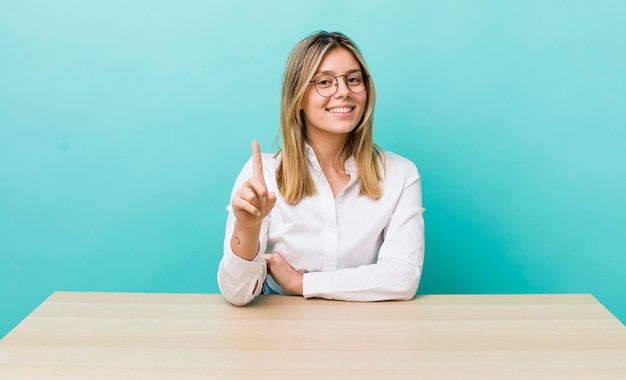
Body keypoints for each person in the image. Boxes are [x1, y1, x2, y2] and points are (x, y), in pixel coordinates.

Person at [217, 31, 424, 306]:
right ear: (298, 97)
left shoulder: (400, 175)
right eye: (325, 81)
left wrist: (302, 283)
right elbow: (237, 294)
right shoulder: (263, 176)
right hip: (280, 333)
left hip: (364, 330)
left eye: (353, 79)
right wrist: (247, 228)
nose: (343, 91)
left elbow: (402, 277)